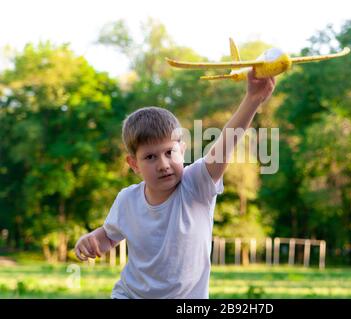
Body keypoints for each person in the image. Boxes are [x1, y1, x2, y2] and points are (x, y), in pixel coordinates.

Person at [74, 70, 275, 298]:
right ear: (134, 164)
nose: (163, 164)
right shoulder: (127, 199)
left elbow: (224, 145)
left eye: (170, 152)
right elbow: (109, 236)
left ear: (182, 150)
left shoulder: (196, 185)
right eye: (150, 157)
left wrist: (252, 99)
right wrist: (90, 240)